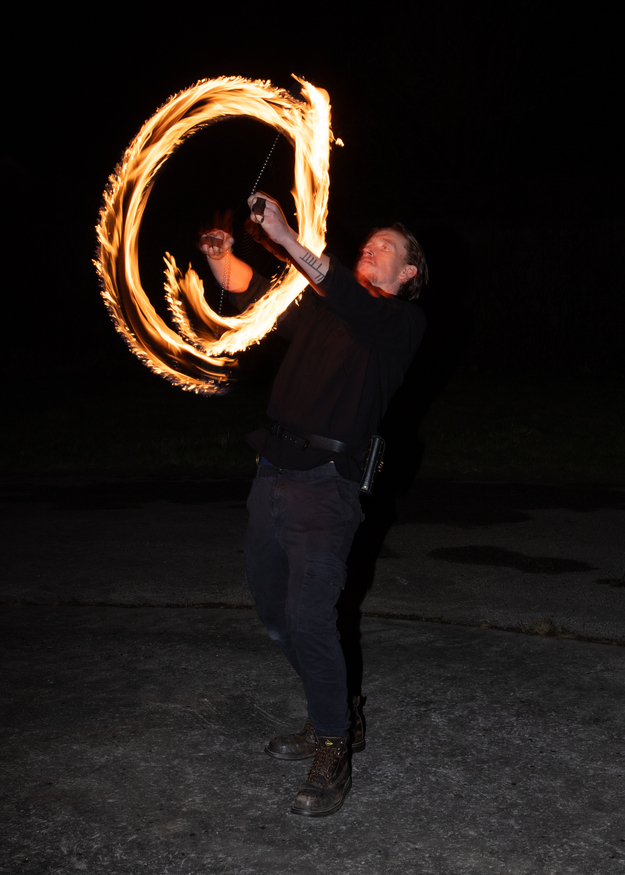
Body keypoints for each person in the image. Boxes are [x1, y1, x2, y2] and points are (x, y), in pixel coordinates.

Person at [200, 193, 427, 817]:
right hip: (272, 471)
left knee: (309, 617)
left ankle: (333, 743)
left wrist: (286, 236)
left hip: (326, 486)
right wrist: (223, 260)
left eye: (386, 248)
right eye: (369, 242)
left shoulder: (399, 324)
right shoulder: (325, 307)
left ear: (407, 272)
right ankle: (336, 712)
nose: (371, 248)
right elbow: (258, 297)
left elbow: (346, 293)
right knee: (276, 616)